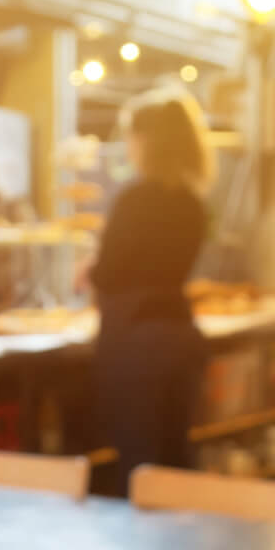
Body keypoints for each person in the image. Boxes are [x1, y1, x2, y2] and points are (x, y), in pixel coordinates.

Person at [88, 89, 214, 489]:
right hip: (180, 335)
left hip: (137, 343)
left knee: (139, 467)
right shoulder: (194, 204)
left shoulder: (135, 199)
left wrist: (89, 269)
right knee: (176, 461)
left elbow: (108, 273)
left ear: (145, 140)